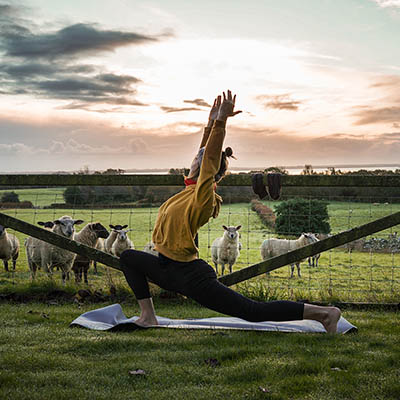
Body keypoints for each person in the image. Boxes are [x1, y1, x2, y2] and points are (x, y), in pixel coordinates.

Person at [120, 90, 341, 333]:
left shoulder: (203, 197)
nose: (195, 160)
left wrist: (222, 123)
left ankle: (324, 314)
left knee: (252, 311)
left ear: (208, 170)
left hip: (189, 275)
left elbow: (210, 156)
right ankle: (148, 316)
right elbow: (205, 151)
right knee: (129, 258)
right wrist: (211, 121)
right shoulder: (189, 189)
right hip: (165, 268)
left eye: (201, 161)